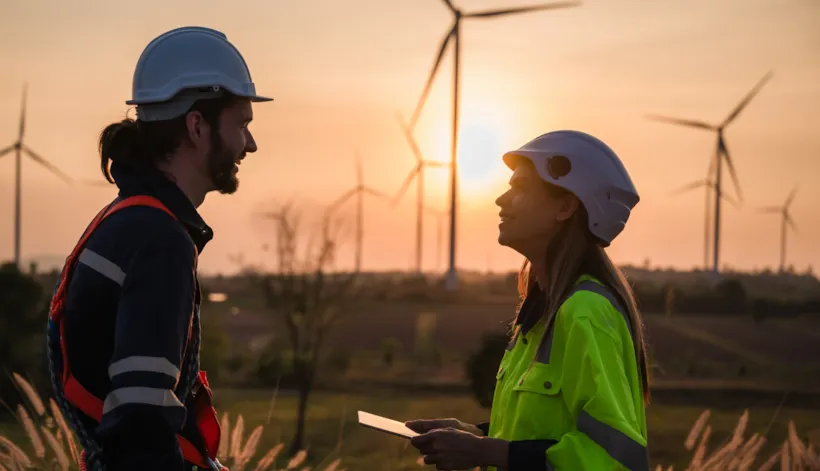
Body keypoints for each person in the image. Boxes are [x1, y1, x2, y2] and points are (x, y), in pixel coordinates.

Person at [46, 26, 272, 471]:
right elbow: (141, 424)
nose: (251, 143)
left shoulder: (127, 219)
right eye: (242, 124)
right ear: (196, 125)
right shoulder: (158, 239)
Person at [405, 130, 651, 471]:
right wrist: (474, 435)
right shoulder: (539, 313)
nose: (501, 200)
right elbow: (545, 433)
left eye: (519, 187)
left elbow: (610, 459)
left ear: (565, 207)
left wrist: (483, 453)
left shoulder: (585, 312)